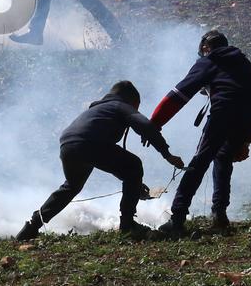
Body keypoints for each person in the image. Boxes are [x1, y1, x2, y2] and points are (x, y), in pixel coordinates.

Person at [15, 81, 186, 241]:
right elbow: (146, 126)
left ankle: (32, 225)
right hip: (90, 143)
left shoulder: (98, 109)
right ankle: (127, 225)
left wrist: (134, 185)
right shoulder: (120, 105)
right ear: (132, 100)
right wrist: (167, 154)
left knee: (71, 187)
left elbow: (112, 161)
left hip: (68, 144)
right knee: (134, 165)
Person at [151, 30, 251, 235]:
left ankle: (177, 218)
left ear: (205, 48)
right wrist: (248, 138)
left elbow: (179, 95)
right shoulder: (243, 62)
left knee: (199, 162)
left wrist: (155, 122)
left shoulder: (210, 60)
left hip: (223, 114)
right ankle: (219, 215)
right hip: (248, 116)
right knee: (223, 158)